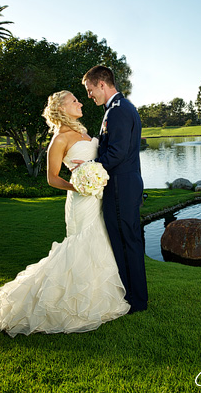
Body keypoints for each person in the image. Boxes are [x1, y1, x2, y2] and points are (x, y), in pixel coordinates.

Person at [0, 90, 130, 338]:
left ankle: (98, 299)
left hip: (97, 198)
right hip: (81, 199)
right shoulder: (59, 140)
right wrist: (78, 185)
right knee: (80, 246)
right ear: (61, 109)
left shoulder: (83, 131)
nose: (80, 103)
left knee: (99, 243)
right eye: (74, 101)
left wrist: (95, 176)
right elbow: (52, 178)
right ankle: (66, 304)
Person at [81, 65, 148, 313]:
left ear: (101, 84)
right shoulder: (118, 108)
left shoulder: (118, 111)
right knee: (126, 241)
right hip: (124, 185)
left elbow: (117, 152)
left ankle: (135, 300)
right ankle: (132, 296)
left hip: (121, 186)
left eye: (90, 90)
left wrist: (90, 167)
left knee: (126, 242)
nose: (89, 96)